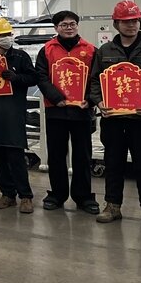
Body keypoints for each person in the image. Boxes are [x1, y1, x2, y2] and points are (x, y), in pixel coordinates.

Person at [89, 0, 141, 231]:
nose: (131, 25)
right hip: (113, 119)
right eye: (125, 21)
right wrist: (99, 102)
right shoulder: (105, 51)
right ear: (116, 24)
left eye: (134, 20)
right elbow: (94, 82)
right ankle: (112, 206)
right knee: (113, 164)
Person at [35, 11, 99, 214]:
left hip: (82, 111)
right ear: (56, 28)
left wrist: (89, 100)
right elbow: (41, 77)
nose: (69, 27)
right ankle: (57, 194)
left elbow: (97, 78)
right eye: (64, 24)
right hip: (56, 111)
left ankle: (84, 197)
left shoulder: (90, 50)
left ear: (77, 26)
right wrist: (56, 98)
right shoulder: (47, 50)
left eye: (72, 24)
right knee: (56, 155)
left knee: (83, 155)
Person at [0, 18, 39, 214]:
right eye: (2, 35)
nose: (6, 38)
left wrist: (16, 78)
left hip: (13, 112)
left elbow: (33, 78)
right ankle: (7, 194)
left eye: (8, 34)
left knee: (16, 156)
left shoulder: (20, 57)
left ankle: (26, 196)